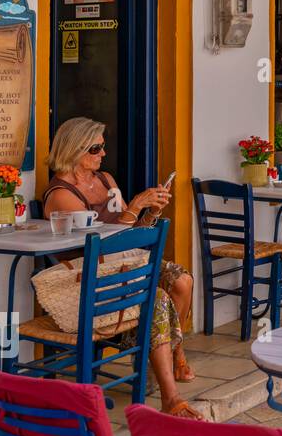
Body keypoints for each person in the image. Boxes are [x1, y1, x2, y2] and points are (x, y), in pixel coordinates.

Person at [42, 117, 199, 419]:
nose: (103, 154)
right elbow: (101, 243)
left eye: (103, 147)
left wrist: (150, 213)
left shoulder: (105, 180)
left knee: (182, 281)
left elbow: (129, 231)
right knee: (157, 299)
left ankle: (174, 351)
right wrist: (136, 204)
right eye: (96, 148)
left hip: (127, 259)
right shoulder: (61, 194)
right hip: (92, 273)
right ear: (75, 149)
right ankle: (170, 393)